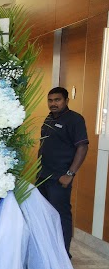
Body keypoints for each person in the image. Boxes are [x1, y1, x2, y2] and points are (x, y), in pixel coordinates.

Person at [37, 87, 88, 256]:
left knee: (61, 215)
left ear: (66, 100)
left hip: (59, 178)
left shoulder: (75, 120)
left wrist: (70, 174)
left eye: (57, 100)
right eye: (50, 100)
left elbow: (82, 147)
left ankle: (63, 255)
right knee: (44, 215)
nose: (53, 103)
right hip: (43, 177)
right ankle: (49, 252)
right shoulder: (49, 118)